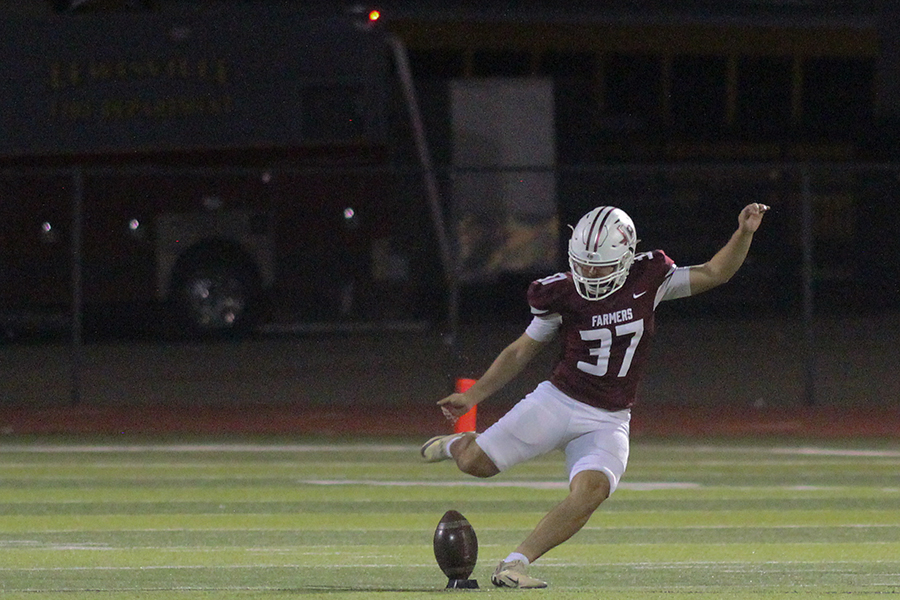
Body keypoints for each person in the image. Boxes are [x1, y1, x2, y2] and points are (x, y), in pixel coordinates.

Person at [420, 203, 769, 588]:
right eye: (582, 264)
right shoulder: (561, 293)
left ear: (625, 256)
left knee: (592, 491)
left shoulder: (649, 277)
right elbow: (522, 350)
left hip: (609, 417)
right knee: (476, 464)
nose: (588, 273)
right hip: (558, 401)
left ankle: (515, 564)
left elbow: (715, 272)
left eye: (598, 266)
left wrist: (744, 233)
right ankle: (458, 445)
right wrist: (474, 397)